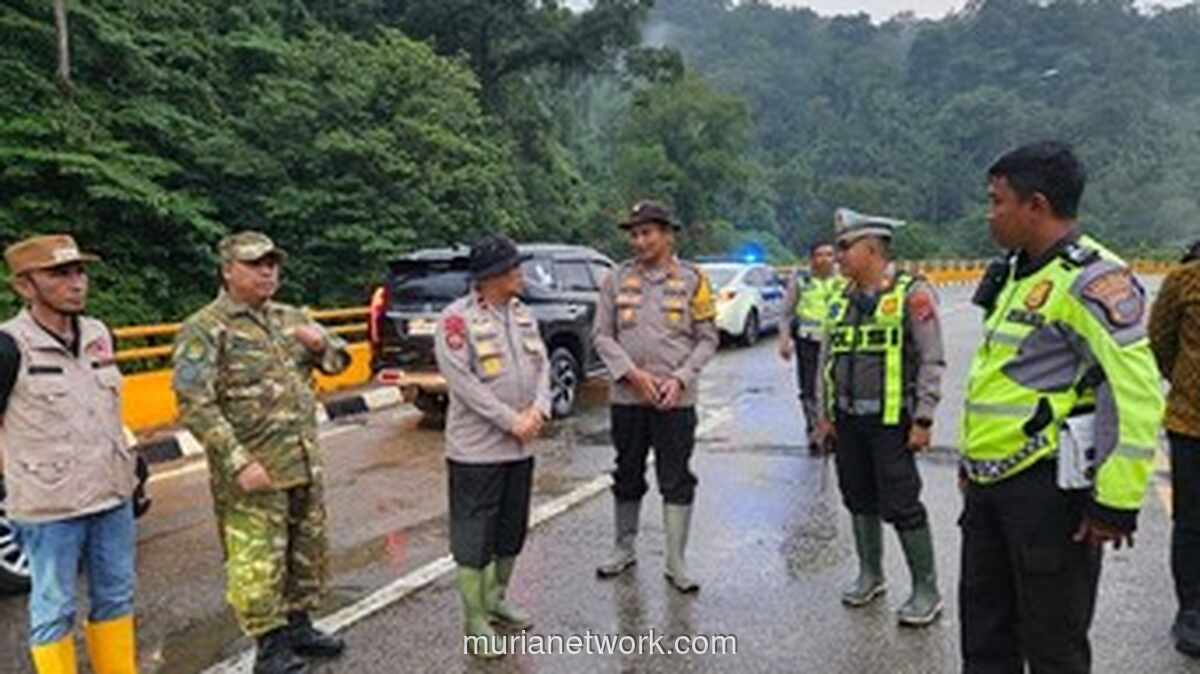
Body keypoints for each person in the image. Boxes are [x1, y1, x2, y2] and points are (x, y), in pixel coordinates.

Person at [960, 142, 1164, 673]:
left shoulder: (1092, 279)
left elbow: (1135, 391)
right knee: (985, 638)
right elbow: (1001, 381)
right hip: (989, 486)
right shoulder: (1017, 273)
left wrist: (1115, 501)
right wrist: (971, 461)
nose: (989, 215)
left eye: (996, 201)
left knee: (1053, 647)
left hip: (1048, 493)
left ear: (1037, 205)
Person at [172, 232, 350, 674]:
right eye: (255, 264)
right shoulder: (206, 327)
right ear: (228, 270)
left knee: (305, 550)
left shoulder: (292, 317)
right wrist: (239, 460)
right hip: (254, 470)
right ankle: (269, 644)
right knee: (256, 559)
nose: (267, 271)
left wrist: (321, 344)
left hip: (302, 461)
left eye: (272, 263)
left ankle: (299, 624)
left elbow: (341, 361)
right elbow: (194, 404)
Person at [0, 235, 139, 674]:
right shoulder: (8, 346)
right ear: (25, 286)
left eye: (80, 271)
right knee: (53, 606)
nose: (77, 283)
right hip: (49, 506)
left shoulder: (99, 334)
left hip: (111, 495)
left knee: (116, 595)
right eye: (60, 274)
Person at [813, 208, 946, 627]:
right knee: (857, 499)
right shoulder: (838, 297)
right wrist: (824, 416)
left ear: (872, 248)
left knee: (903, 504)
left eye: (845, 247)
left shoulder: (912, 293)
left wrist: (923, 418)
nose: (838, 256)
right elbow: (824, 363)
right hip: (848, 423)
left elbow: (931, 358)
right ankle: (871, 574)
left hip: (893, 425)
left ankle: (926, 589)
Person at [433, 234, 551, 658]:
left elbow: (543, 366)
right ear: (492, 277)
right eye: (514, 268)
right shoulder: (455, 320)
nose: (521, 274)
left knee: (510, 529)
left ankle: (497, 598)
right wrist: (511, 421)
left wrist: (539, 409)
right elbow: (463, 385)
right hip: (477, 451)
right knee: (473, 536)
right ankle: (474, 618)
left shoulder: (521, 313)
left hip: (521, 447)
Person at [592, 200, 719, 593]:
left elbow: (708, 338)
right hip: (628, 398)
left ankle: (676, 560)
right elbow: (602, 336)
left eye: (647, 232)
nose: (639, 240)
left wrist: (680, 378)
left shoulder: (694, 279)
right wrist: (632, 374)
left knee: (676, 476)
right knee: (627, 470)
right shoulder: (615, 278)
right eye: (634, 234)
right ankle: (623, 546)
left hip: (675, 400)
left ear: (667, 234)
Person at [1148, 237, 1200, 657]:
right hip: (1191, 425)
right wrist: (1186, 385)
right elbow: (1160, 342)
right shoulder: (1183, 281)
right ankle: (1193, 612)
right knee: (1192, 523)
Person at [778, 240, 845, 454]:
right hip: (808, 342)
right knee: (809, 389)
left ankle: (834, 430)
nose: (825, 259)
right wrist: (784, 340)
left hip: (837, 343)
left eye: (829, 254)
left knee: (835, 387)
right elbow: (786, 313)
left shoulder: (843, 281)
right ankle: (815, 432)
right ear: (812, 259)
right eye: (820, 255)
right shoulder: (801, 281)